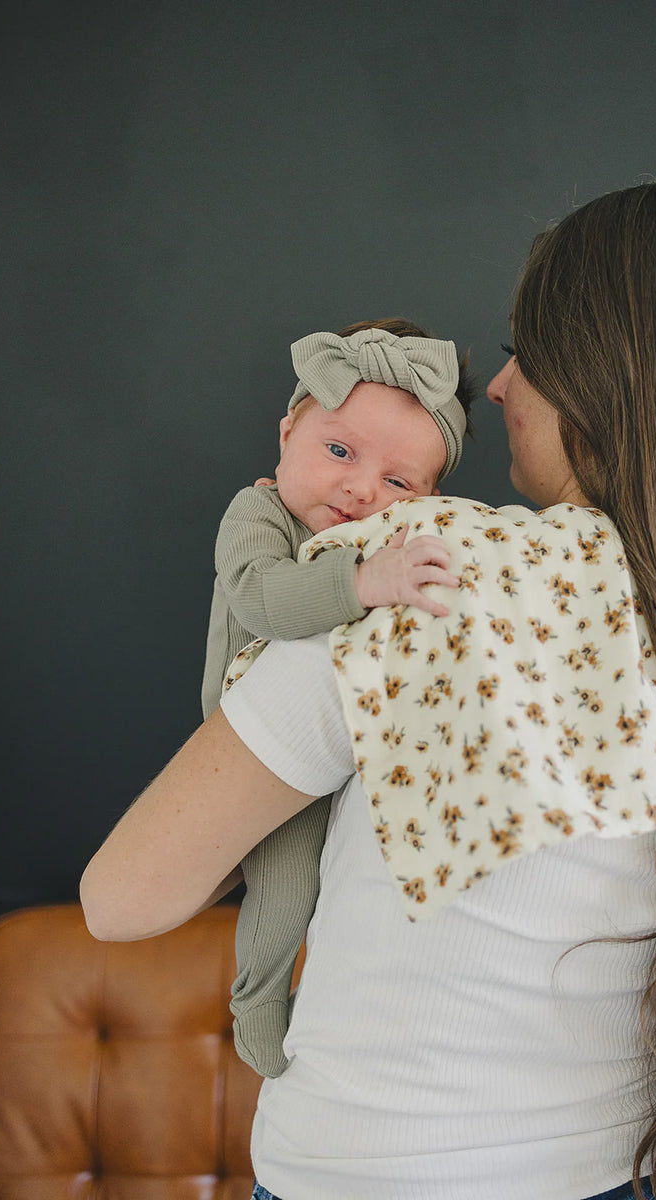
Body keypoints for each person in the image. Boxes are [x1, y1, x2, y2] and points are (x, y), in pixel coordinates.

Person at [80, 181, 656, 1200]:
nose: (493, 389)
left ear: (603, 373)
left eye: (522, 352)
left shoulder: (429, 565)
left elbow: (121, 900)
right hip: (633, 1173)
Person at [200, 319, 474, 1077]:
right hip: (265, 760)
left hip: (354, 756)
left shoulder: (388, 542)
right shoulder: (258, 514)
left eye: (399, 482)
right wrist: (362, 583)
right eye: (340, 451)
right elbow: (263, 601)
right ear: (288, 431)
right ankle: (256, 1001)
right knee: (286, 891)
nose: (360, 489)